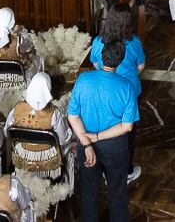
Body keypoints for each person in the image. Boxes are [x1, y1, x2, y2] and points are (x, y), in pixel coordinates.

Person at [68, 39, 139, 222]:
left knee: (88, 190)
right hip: (115, 146)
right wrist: (98, 136)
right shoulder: (126, 87)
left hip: (85, 142)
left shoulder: (83, 79)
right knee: (117, 191)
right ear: (120, 60)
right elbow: (127, 126)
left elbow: (73, 116)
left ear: (101, 56)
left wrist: (88, 144)